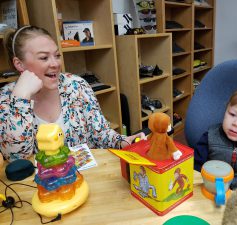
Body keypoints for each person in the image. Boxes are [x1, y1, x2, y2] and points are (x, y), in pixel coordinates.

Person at [0, 25, 144, 162]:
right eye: (44, 58)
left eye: (57, 55)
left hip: (85, 179)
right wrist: (20, 99)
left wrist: (123, 142)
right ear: (19, 64)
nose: (55, 64)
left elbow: (100, 133)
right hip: (39, 186)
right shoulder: (6, 98)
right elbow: (16, 158)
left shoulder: (77, 85)